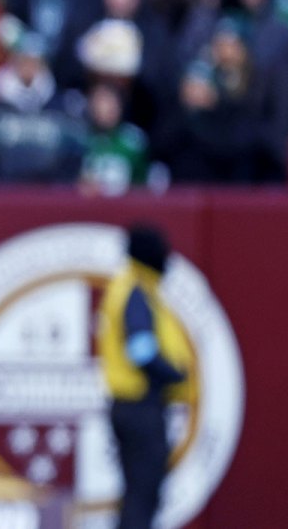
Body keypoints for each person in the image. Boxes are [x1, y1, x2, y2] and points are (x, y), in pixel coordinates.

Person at [97, 225, 193, 529]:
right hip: (140, 406)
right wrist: (175, 374)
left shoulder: (131, 286)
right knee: (143, 493)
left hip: (129, 405)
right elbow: (141, 351)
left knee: (137, 492)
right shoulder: (135, 290)